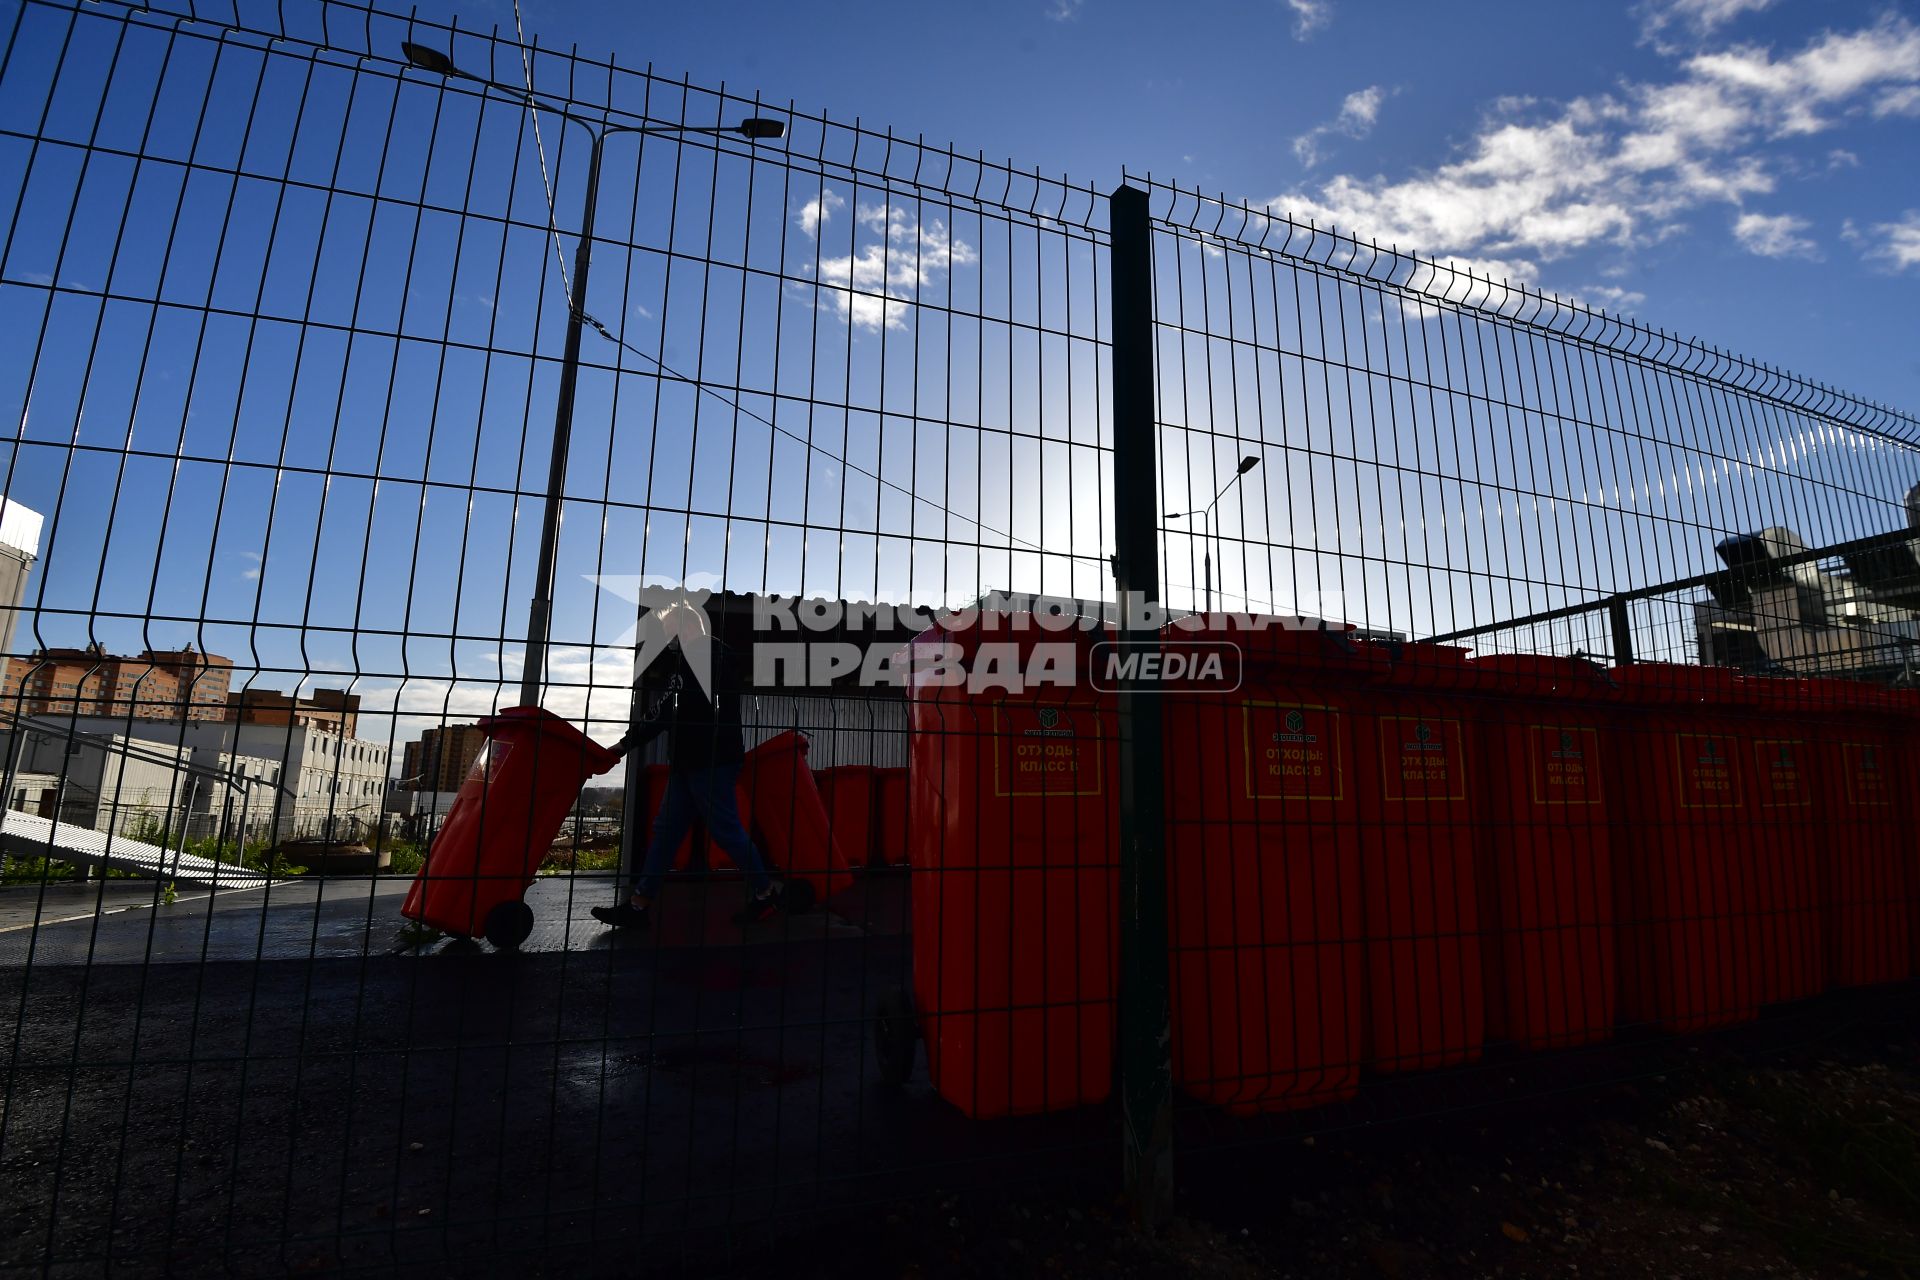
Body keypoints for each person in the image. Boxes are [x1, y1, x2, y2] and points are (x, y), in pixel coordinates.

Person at [592, 636, 786, 929]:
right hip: (695, 762)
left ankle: (765, 893)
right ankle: (639, 904)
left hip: (708, 762)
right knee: (668, 831)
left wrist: (622, 745)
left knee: (724, 831)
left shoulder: (697, 661)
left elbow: (666, 711)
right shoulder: (712, 660)